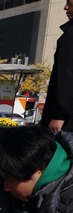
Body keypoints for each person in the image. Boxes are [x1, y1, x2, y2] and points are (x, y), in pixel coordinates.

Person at [41, 0, 73, 133]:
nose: (65, 7)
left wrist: (59, 115)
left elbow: (67, 73)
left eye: (70, 3)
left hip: (67, 121)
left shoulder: (71, 34)